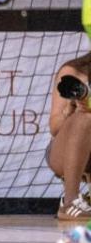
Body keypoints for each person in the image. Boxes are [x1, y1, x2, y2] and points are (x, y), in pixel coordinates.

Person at [49, 53, 91, 219]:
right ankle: (70, 202)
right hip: (66, 149)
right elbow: (54, 127)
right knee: (85, 118)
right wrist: (71, 110)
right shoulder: (75, 71)